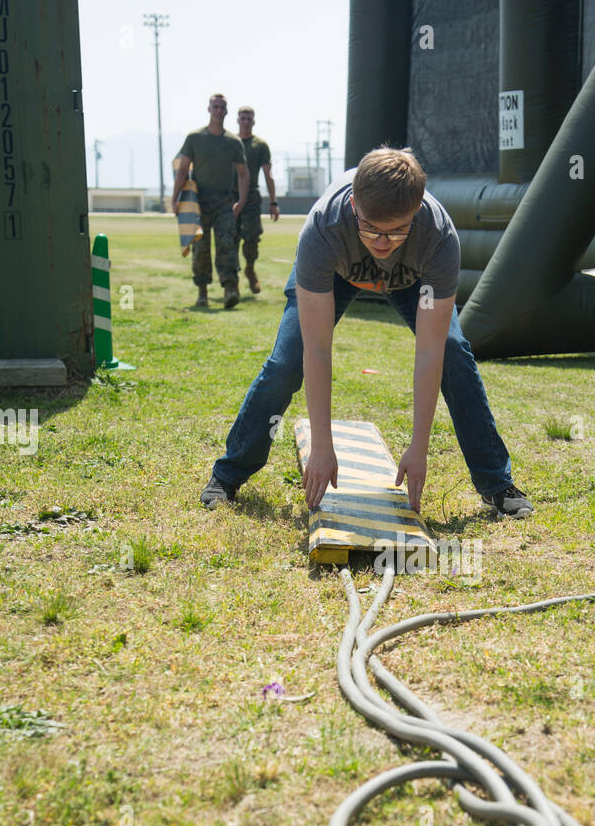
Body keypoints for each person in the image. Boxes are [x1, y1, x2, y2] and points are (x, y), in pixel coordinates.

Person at [199, 146, 534, 518]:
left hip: (412, 280)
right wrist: (322, 446)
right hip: (336, 272)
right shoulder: (323, 228)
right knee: (286, 362)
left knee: (454, 352)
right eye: (372, 229)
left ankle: (496, 483)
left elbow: (429, 352)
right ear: (355, 204)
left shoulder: (438, 236)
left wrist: (418, 446)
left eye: (397, 231)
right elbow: (318, 349)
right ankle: (228, 474)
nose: (382, 243)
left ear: (418, 208)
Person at [172, 94, 249, 309]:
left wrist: (241, 200)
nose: (218, 111)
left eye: (222, 107)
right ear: (209, 109)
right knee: (201, 247)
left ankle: (230, 289)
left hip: (225, 201)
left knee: (227, 244)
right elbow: (183, 170)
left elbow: (243, 173)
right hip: (199, 201)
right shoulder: (194, 138)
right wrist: (175, 198)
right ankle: (202, 292)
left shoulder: (233, 142)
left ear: (226, 112)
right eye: (215, 107)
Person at [233, 106, 279, 293]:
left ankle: (250, 269)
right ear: (237, 120)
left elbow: (269, 175)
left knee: (252, 237)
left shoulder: (260, 145)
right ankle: (232, 281)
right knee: (230, 238)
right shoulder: (230, 142)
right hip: (230, 196)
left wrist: (273, 202)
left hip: (252, 197)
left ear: (253, 121)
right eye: (242, 118)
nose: (245, 121)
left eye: (249, 118)